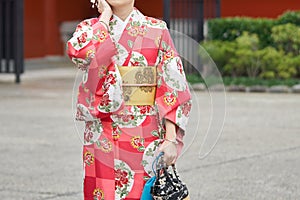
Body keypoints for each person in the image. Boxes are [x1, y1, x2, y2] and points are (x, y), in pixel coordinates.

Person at [67, 0, 192, 199]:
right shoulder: (90, 28)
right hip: (102, 132)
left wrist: (170, 139)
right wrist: (105, 16)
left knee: (142, 192)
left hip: (145, 132)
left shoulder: (156, 29)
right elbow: (80, 53)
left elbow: (172, 87)